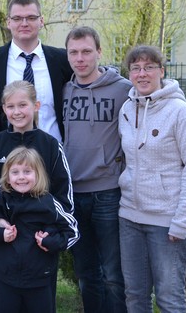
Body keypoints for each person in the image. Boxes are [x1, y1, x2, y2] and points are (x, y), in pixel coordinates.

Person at [0, 80, 78, 310]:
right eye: (10, 106)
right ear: (4, 109)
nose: (17, 112)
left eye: (23, 105)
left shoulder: (50, 145)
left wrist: (50, 232)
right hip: (5, 247)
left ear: (36, 106)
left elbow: (64, 195)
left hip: (40, 250)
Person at [118, 45, 186, 313]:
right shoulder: (126, 108)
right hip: (130, 218)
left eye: (149, 67)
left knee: (168, 299)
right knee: (135, 296)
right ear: (130, 74)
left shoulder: (180, 112)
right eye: (136, 68)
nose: (142, 73)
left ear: (162, 71)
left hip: (167, 221)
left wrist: (182, 221)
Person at [61, 26, 131, 312]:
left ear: (99, 52)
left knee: (113, 273)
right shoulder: (65, 90)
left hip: (107, 192)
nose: (80, 58)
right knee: (86, 273)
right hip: (74, 193)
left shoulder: (123, 89)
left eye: (86, 51)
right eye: (74, 53)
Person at [0, 146, 78, 313]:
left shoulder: (48, 201)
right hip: (6, 277)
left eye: (27, 172)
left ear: (38, 174)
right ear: (7, 176)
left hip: (40, 278)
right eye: (15, 172)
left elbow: (72, 231)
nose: (21, 177)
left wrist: (51, 242)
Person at [0, 0, 73, 142]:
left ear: (41, 21)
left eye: (31, 18)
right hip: (7, 150)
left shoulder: (62, 59)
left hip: (53, 148)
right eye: (17, 18)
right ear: (8, 22)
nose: (24, 23)